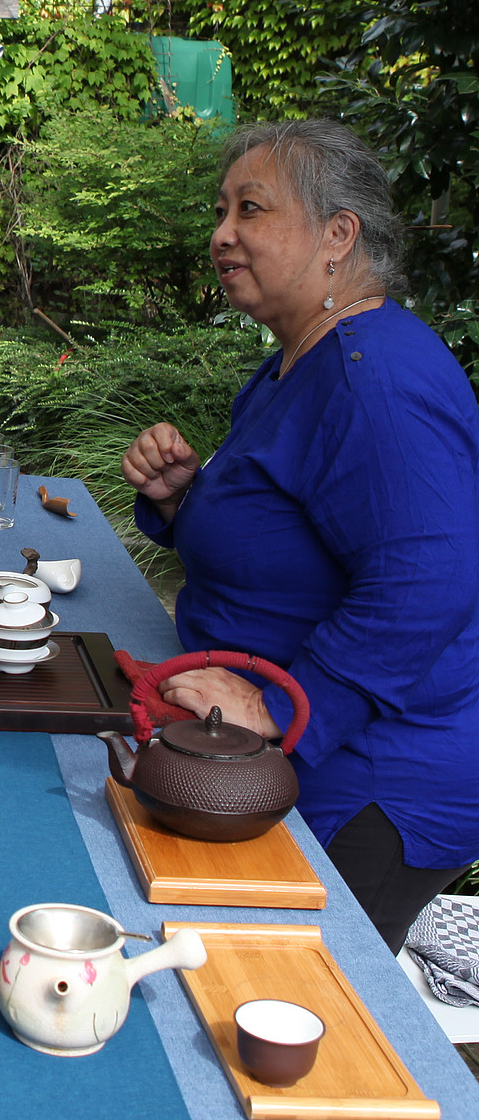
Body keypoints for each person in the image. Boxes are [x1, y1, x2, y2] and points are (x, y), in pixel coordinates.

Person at [122, 120, 479, 951]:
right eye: (220, 211)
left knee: (281, 1000)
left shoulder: (374, 377)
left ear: (337, 236)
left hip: (375, 774)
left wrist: (277, 709)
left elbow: (429, 581)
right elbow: (290, 536)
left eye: (251, 210)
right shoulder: (299, 358)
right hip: (283, 749)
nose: (221, 234)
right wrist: (182, 504)